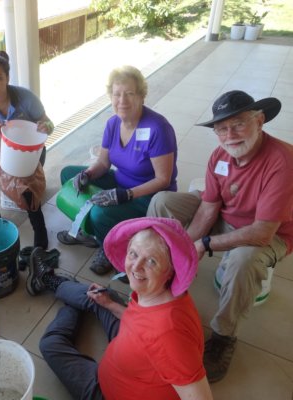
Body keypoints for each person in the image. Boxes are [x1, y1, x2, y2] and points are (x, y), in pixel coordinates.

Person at [147, 90, 293, 383]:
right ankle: (160, 268)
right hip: (226, 216)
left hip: (271, 232)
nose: (230, 135)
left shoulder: (283, 159)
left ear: (260, 120)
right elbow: (208, 209)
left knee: (244, 259)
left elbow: (263, 232)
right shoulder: (219, 157)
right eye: (221, 129)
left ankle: (225, 335)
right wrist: (186, 250)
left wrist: (206, 244)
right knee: (163, 200)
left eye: (238, 124)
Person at [26, 217, 212, 400]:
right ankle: (67, 291)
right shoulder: (162, 293)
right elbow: (142, 323)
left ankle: (60, 289)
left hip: (107, 392)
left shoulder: (167, 335)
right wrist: (110, 305)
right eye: (134, 253)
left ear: (170, 271)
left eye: (151, 261)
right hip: (132, 351)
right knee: (107, 296)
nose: (136, 267)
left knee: (49, 344)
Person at [56, 65, 178, 275]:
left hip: (149, 194)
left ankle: (111, 248)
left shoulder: (158, 128)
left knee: (100, 213)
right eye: (117, 94)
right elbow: (103, 163)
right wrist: (88, 174)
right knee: (69, 174)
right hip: (121, 182)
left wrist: (126, 194)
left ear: (141, 96)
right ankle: (90, 231)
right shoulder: (113, 124)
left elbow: (163, 179)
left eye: (129, 94)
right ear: (110, 97)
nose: (122, 101)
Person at [0, 50, 54, 249]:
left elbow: (50, 124)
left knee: (25, 185)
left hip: (29, 152)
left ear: (7, 78)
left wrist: (46, 127)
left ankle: (40, 232)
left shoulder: (25, 98)